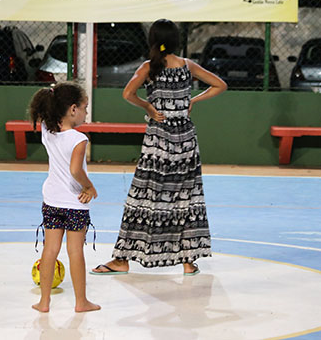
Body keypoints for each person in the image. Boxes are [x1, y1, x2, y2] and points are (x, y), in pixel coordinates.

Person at [91, 19, 226, 276]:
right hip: (185, 142)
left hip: (158, 143)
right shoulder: (188, 65)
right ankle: (188, 261)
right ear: (176, 41)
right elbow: (220, 84)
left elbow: (128, 94)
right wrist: (193, 100)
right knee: (185, 198)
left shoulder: (148, 67)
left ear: (152, 40)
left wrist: (148, 107)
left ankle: (122, 259)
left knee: (144, 197)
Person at [29, 82, 100, 313]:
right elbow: (75, 171)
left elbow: (44, 112)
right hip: (75, 203)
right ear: (72, 109)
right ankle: (81, 302)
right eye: (84, 108)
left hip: (51, 200)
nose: (86, 113)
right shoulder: (79, 139)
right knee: (75, 251)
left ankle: (44, 302)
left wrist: (52, 95)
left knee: (50, 250)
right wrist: (89, 187)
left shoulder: (47, 131)